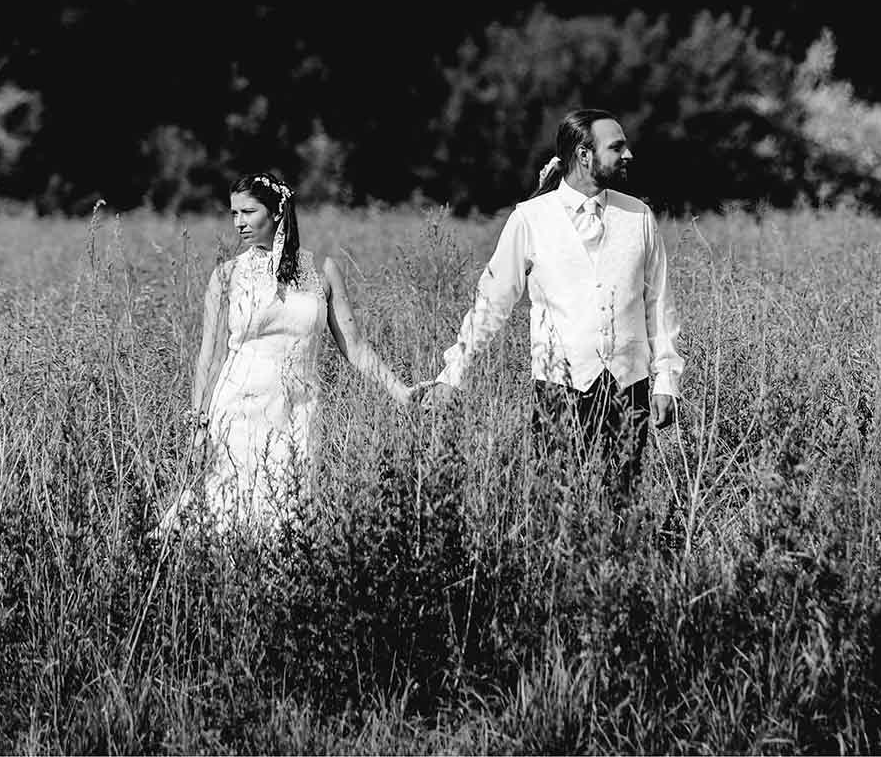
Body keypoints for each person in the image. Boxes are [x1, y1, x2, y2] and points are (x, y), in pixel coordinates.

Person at [422, 108, 683, 501]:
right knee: (557, 512)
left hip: (630, 388)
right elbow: (490, 303)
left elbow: (658, 304)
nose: (628, 155)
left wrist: (666, 380)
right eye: (617, 147)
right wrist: (452, 375)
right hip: (560, 392)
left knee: (622, 506)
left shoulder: (639, 217)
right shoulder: (530, 219)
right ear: (583, 154)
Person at [154, 171, 416, 536]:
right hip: (238, 409)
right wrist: (198, 426)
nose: (239, 222)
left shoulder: (322, 271)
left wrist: (401, 392)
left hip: (299, 410)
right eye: (233, 213)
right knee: (228, 509)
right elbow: (209, 359)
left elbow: (354, 346)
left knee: (289, 515)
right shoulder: (227, 276)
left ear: (277, 211)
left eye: (248, 212)